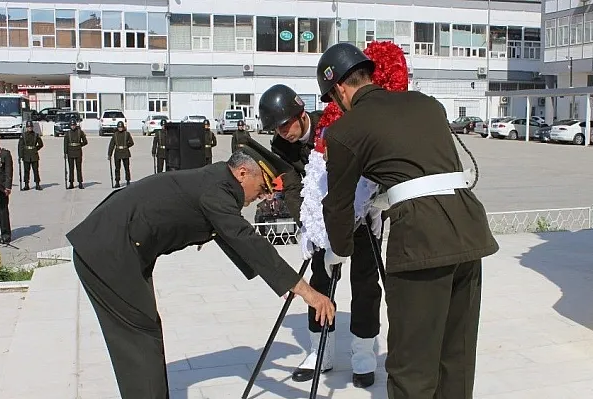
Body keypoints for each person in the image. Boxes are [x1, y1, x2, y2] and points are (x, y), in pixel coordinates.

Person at [66, 140, 336, 399]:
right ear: (243, 173)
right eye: (262, 186)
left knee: (144, 331)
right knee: (139, 336)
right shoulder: (216, 192)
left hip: (119, 245)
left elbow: (221, 229)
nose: (262, 196)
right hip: (109, 250)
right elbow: (249, 242)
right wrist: (307, 292)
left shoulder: (217, 180)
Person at [316, 42, 499, 399]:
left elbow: (338, 205)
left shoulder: (344, 131)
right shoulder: (428, 105)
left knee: (412, 368)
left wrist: (337, 251)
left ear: (338, 88)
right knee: (456, 358)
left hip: (421, 241)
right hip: (469, 232)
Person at [257, 83, 382, 388]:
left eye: (285, 124)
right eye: (276, 128)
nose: (283, 132)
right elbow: (291, 185)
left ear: (300, 113)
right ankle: (321, 351)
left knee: (365, 281)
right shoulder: (281, 146)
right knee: (320, 281)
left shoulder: (333, 121)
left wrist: (357, 208)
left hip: (360, 209)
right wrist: (310, 222)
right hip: (320, 218)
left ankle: (363, 354)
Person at [18, 120, 44, 191]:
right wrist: (20, 156)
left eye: (31, 127)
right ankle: (26, 185)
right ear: (26, 127)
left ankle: (37, 184)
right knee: (26, 171)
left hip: (34, 155)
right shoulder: (23, 135)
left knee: (35, 170)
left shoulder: (36, 135)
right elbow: (20, 146)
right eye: (28, 127)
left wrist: (35, 149)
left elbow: (41, 144)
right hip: (26, 155)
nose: (30, 128)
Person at [108, 121, 134, 187]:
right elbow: (111, 145)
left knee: (127, 168)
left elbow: (131, 142)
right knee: (117, 168)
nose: (120, 128)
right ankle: (117, 181)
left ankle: (128, 180)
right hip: (117, 152)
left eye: (121, 127)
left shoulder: (127, 134)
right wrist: (109, 154)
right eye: (119, 127)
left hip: (125, 152)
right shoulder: (115, 135)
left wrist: (126, 146)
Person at [64, 119, 88, 189]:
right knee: (71, 168)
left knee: (79, 168)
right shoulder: (67, 133)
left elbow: (85, 141)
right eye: (71, 125)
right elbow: (65, 143)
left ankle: (80, 182)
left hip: (78, 151)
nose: (73, 126)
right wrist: (65, 152)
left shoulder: (80, 132)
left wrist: (80, 145)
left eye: (74, 125)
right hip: (70, 152)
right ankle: (71, 183)